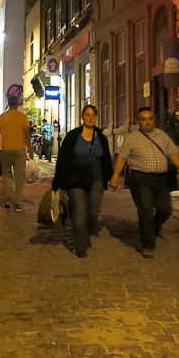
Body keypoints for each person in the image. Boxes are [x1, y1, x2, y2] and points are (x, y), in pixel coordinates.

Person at [109, 106, 179, 259]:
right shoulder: (132, 138)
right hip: (140, 179)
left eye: (150, 119)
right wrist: (115, 176)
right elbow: (122, 157)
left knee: (165, 209)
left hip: (160, 179)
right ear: (138, 122)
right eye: (143, 119)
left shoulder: (162, 136)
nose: (147, 122)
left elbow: (172, 153)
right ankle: (147, 245)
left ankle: (153, 226)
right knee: (145, 211)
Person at [52, 104, 112, 258]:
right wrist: (58, 180)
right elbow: (63, 158)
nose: (91, 117)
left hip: (96, 180)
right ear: (82, 117)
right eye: (88, 115)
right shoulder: (73, 136)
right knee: (79, 215)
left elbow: (106, 159)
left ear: (96, 117)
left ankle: (85, 236)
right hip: (75, 180)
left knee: (92, 214)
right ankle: (81, 246)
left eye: (93, 115)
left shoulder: (101, 138)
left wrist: (110, 177)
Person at [0, 95, 33, 211]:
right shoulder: (23, 117)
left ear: (8, 104)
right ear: (18, 103)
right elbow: (26, 133)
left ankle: (7, 200)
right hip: (20, 149)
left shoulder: (2, 117)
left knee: (6, 174)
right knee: (20, 176)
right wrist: (29, 149)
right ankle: (18, 202)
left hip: (6, 149)